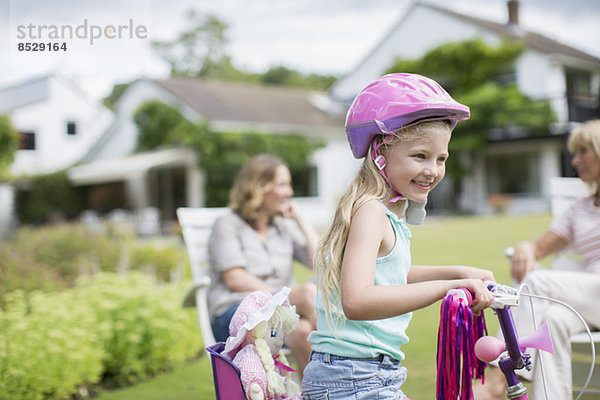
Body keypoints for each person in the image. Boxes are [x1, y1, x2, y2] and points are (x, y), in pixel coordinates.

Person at [300, 73, 495, 400]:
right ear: (380, 152)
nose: (433, 170)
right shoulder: (371, 211)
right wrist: (447, 287)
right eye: (420, 156)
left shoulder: (388, 215)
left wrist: (459, 274)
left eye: (441, 159)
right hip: (351, 377)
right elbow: (357, 300)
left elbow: (392, 277)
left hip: (369, 372)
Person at [474, 119, 600, 400]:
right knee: (552, 321)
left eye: (583, 151)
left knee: (536, 282)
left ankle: (499, 376)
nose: (576, 160)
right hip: (591, 301)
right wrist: (524, 248)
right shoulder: (580, 209)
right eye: (574, 153)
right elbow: (536, 247)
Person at [207, 154, 319, 374]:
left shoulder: (282, 228)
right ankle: (352, 355)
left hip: (275, 321)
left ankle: (314, 393)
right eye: (282, 185)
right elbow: (234, 277)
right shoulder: (227, 225)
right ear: (258, 188)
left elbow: (320, 263)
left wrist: (300, 220)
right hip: (234, 318)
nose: (290, 192)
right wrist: (279, 297)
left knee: (305, 331)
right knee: (306, 293)